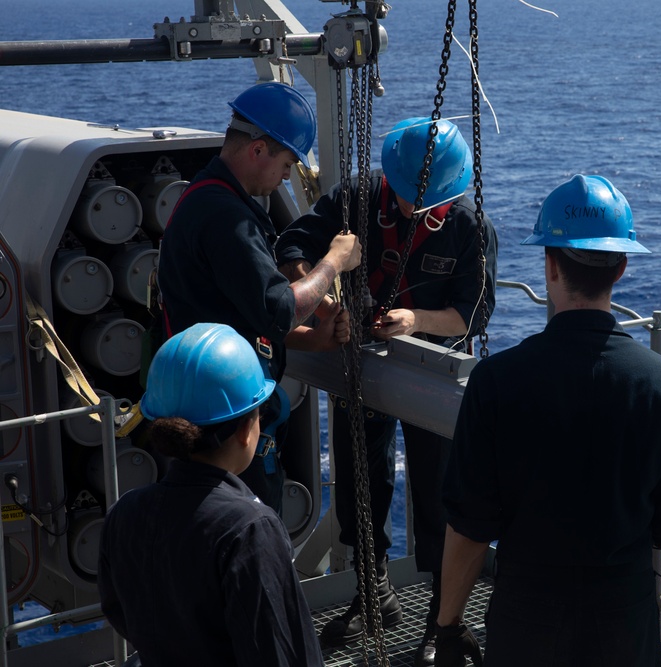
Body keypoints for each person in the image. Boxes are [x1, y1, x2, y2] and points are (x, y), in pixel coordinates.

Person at [433, 174, 661, 667]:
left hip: (526, 626)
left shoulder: (496, 382)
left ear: (549, 265)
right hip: (625, 627)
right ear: (621, 267)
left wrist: (448, 627)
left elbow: (470, 529)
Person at [275, 116, 498, 663]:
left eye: (427, 203)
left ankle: (439, 618)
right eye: (402, 197)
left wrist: (413, 319)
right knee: (358, 478)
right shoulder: (355, 197)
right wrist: (327, 303)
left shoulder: (470, 228)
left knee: (437, 492)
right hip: (360, 362)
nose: (411, 208)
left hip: (432, 374)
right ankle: (372, 592)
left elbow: (472, 315)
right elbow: (293, 245)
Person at [156, 81, 362, 514]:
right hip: (227, 418)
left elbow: (242, 318)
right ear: (258, 150)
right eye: (287, 163)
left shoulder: (206, 198)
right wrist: (334, 262)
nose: (288, 175)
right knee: (247, 520)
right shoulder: (226, 217)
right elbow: (278, 309)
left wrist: (315, 339)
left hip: (203, 402)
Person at [98, 322, 324, 666]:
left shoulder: (124, 512)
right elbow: (283, 654)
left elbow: (120, 613)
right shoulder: (250, 528)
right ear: (247, 430)